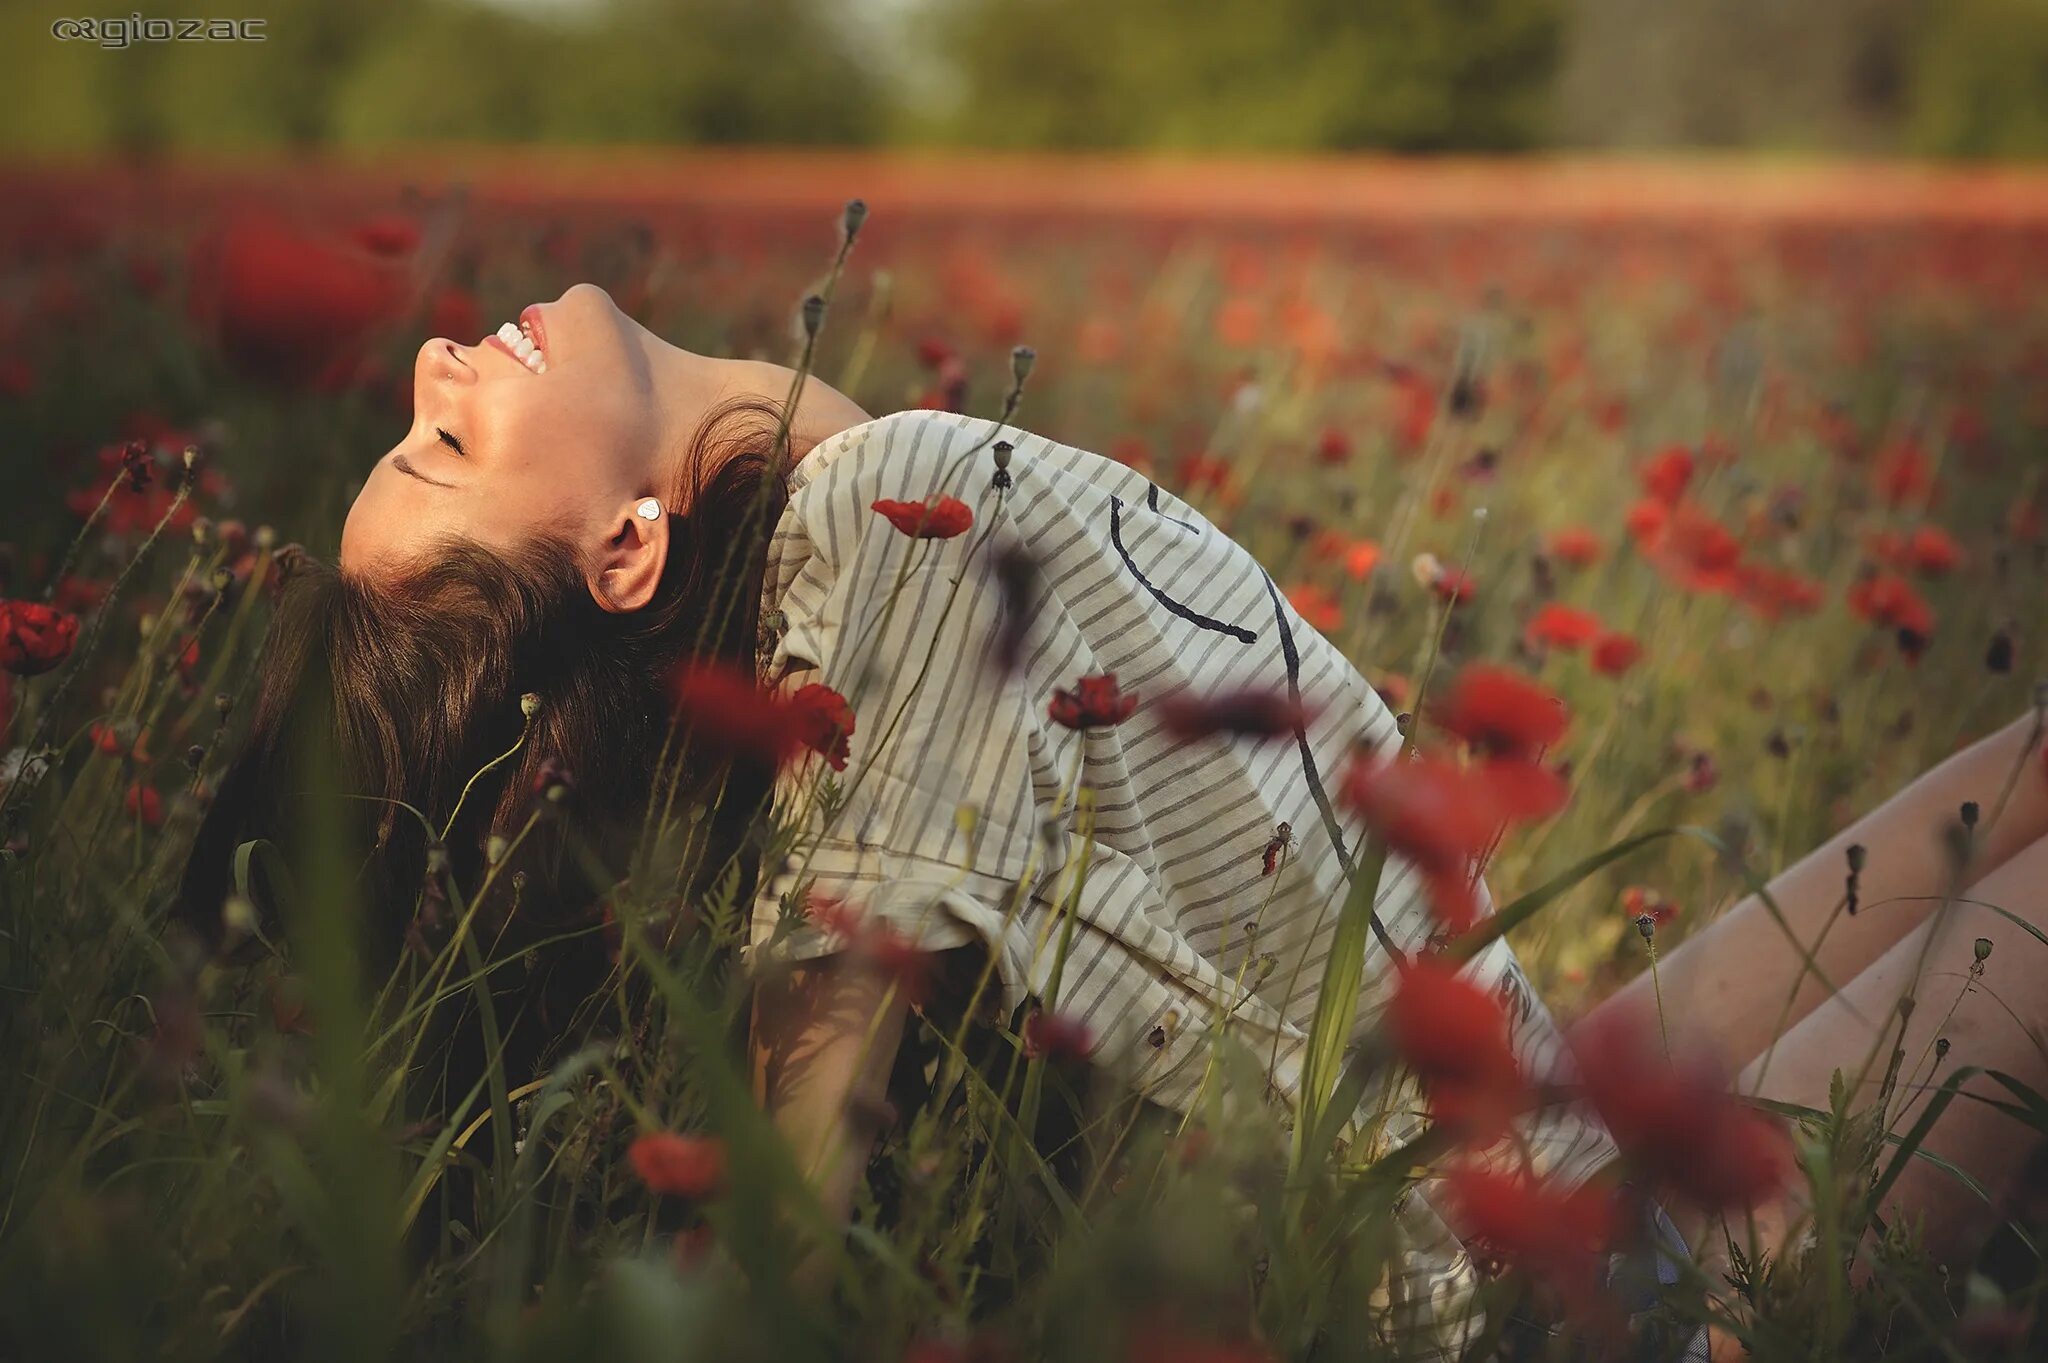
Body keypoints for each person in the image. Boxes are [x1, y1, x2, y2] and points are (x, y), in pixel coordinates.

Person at [178, 282, 2043, 1351]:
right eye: (436, 449)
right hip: (1595, 1316)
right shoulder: (874, 517)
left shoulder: (858, 584)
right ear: (619, 548)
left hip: (1519, 1147)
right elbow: (851, 973)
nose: (431, 364)